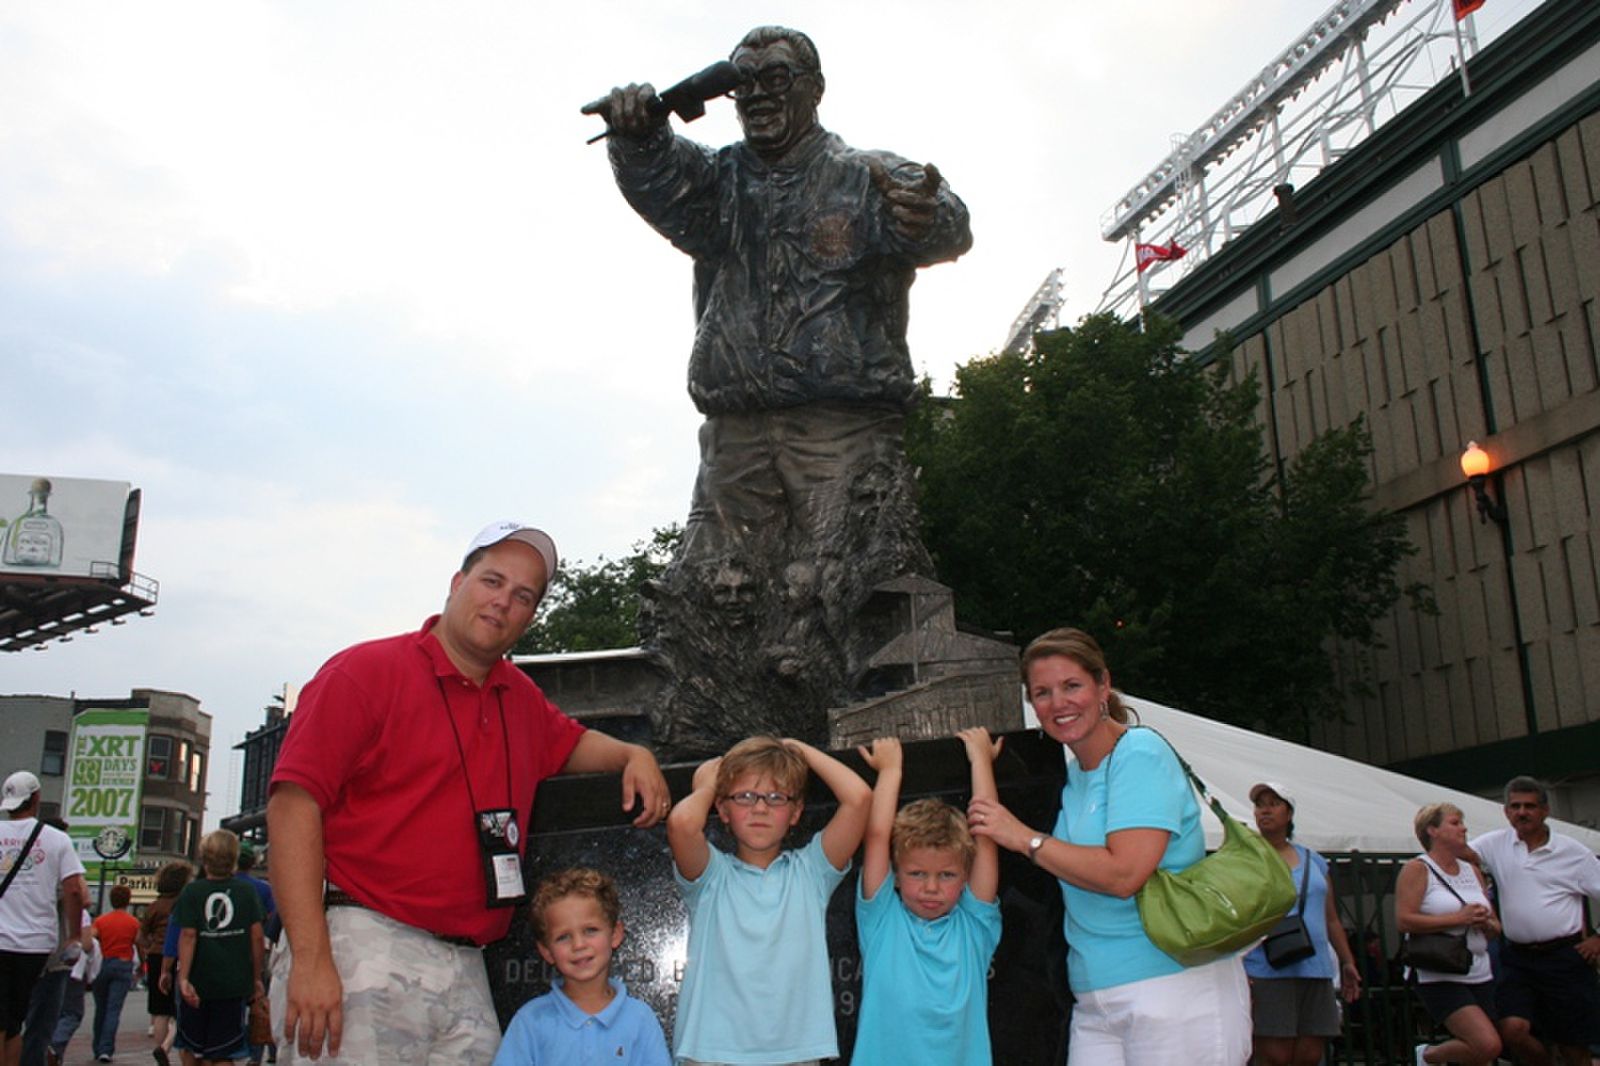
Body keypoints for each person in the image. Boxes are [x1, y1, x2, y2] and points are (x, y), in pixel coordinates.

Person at [583, 27, 974, 752]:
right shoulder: (720, 183)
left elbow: (942, 221)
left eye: (777, 78)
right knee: (712, 581)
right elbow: (664, 183)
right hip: (736, 427)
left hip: (842, 426)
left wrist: (925, 214)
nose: (759, 93)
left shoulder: (864, 175)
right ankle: (710, 724)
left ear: (814, 88)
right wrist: (637, 139)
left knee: (841, 576)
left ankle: (856, 722)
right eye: (746, 81)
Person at [266, 521, 670, 1064]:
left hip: (466, 964)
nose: (504, 601)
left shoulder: (518, 697)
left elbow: (573, 744)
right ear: (457, 582)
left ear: (530, 616)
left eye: (523, 596)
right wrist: (312, 959)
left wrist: (632, 754)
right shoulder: (364, 672)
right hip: (362, 940)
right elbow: (293, 808)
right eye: (492, 581)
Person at [966, 627, 1251, 1065]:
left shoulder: (1140, 753)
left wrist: (1024, 838)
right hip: (1094, 996)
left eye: (1072, 685)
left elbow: (1124, 875)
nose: (1058, 703)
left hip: (1173, 988)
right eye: (1042, 693)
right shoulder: (1074, 775)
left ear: (1103, 686)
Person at [666, 735, 870, 1064]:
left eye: (776, 797)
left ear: (795, 812)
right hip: (713, 1053)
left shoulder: (810, 873)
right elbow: (681, 824)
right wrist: (706, 785)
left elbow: (859, 799)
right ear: (723, 809)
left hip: (795, 1054)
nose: (760, 808)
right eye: (745, 796)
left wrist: (798, 749)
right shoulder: (711, 878)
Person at [851, 730, 1003, 1066]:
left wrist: (980, 760)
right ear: (896, 873)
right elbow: (877, 837)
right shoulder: (882, 920)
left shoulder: (974, 927)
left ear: (965, 877)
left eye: (946, 875)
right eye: (917, 874)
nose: (931, 888)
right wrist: (890, 771)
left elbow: (988, 831)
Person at [1467, 776, 1600, 1066]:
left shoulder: (1572, 852)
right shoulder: (1495, 844)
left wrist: (1598, 938)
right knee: (1512, 1030)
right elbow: (1456, 856)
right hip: (1518, 958)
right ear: (1506, 812)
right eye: (1515, 806)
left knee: (1573, 1044)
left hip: (1564, 959)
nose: (1522, 812)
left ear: (1545, 810)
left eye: (1529, 806)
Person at [490, 868, 669, 1066]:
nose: (578, 945)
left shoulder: (640, 1019)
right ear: (547, 951)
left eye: (590, 931)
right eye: (563, 937)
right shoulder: (531, 1021)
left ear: (615, 934)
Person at [1241, 783, 1362, 1066]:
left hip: (1315, 966)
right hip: (1267, 966)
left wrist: (1347, 961)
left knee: (1310, 1052)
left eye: (1274, 803)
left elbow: (1330, 917)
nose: (1265, 810)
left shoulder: (1314, 860)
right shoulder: (1246, 858)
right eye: (1260, 805)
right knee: (1275, 1054)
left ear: (1290, 813)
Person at [1397, 803, 1501, 1066]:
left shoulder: (1473, 871)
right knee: (1486, 1043)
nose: (1463, 828)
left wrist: (1486, 923)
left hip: (1478, 967)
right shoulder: (1418, 869)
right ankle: (1428, 1056)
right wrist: (1459, 918)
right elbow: (1403, 920)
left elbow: (1497, 926)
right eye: (1455, 822)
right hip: (1439, 971)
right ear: (1432, 829)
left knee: (1481, 1055)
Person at [1, 771, 91, 1066]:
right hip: (36, 945)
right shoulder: (56, 839)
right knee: (14, 1021)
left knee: (4, 1020)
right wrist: (75, 936)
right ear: (36, 798)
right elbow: (75, 891)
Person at [175, 830, 265, 1066]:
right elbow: (257, 937)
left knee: (190, 1046)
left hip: (198, 981)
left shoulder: (192, 892)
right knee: (224, 1050)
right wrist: (256, 978)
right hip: (234, 983)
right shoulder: (246, 892)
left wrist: (183, 977)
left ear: (204, 859)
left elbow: (188, 935)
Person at [141, 861, 194, 1066]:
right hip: (181, 955)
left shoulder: (154, 906)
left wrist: (149, 946)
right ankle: (169, 1045)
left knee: (160, 1010)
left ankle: (161, 1051)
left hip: (156, 955)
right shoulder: (185, 902)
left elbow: (141, 936)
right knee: (182, 1007)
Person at [90, 883, 141, 1062]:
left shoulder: (101, 920)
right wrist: (141, 966)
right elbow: (139, 944)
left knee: (100, 1008)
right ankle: (106, 1049)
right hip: (123, 964)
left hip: (103, 964)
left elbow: (91, 939)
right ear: (128, 901)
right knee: (113, 1010)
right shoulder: (133, 922)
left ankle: (97, 1047)